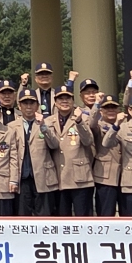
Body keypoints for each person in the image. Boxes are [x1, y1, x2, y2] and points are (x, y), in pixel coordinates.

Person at [44, 85, 94, 216]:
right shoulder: (48, 121)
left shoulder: (83, 118)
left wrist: (79, 121)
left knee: (83, 218)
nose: (64, 101)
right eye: (61, 99)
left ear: (73, 101)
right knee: (62, 219)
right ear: (55, 102)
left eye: (68, 98)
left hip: (80, 178)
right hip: (58, 177)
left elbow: (88, 141)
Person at [10, 89, 59, 216]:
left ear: (37, 105)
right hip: (22, 178)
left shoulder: (47, 123)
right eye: (25, 103)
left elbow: (54, 144)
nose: (28, 106)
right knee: (23, 218)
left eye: (31, 103)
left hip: (43, 177)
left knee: (44, 218)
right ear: (19, 106)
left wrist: (43, 126)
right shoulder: (11, 126)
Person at [89, 94, 124, 216]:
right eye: (107, 107)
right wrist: (96, 103)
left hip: (125, 176)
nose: (110, 110)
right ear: (101, 111)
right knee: (105, 215)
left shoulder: (125, 125)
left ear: (118, 109)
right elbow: (91, 123)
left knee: (128, 216)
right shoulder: (98, 125)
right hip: (105, 176)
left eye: (113, 107)